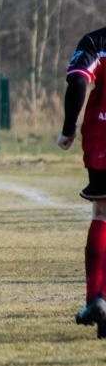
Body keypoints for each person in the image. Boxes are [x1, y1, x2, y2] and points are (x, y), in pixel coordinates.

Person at [56, 26, 106, 339]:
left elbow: (77, 79)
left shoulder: (96, 41)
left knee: (102, 213)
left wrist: (68, 128)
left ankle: (97, 298)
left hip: (102, 136)